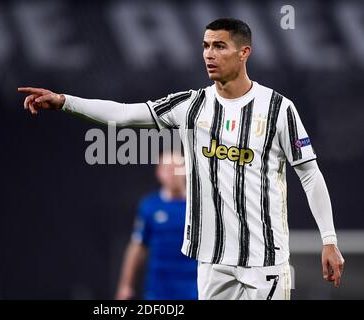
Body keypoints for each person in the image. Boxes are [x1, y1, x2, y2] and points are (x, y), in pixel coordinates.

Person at [18, 18, 344, 300]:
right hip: (212, 261)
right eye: (205, 46)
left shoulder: (278, 109)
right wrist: (65, 101)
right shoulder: (191, 105)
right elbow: (126, 114)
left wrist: (328, 240)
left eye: (219, 46)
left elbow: (309, 174)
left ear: (244, 53)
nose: (209, 54)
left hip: (265, 260)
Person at [116, 152, 197, 300]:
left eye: (177, 167)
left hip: (193, 289)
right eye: (168, 168)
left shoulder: (199, 206)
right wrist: (125, 285)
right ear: (159, 173)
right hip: (159, 290)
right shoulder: (150, 206)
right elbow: (137, 247)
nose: (173, 173)